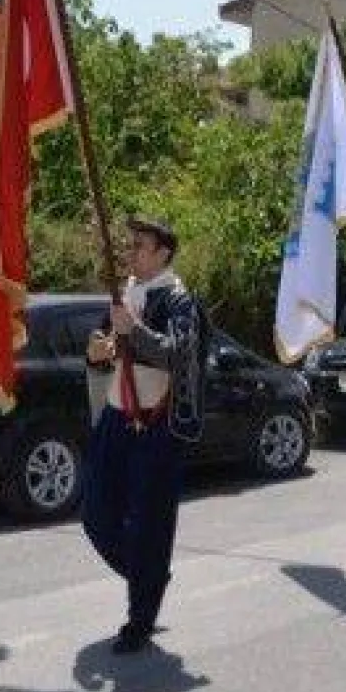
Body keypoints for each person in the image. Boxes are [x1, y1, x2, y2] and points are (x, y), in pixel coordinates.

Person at [83, 217, 210, 655]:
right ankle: (149, 575)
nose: (131, 251)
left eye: (140, 245)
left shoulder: (179, 300)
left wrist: (131, 331)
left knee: (151, 525)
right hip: (118, 419)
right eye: (131, 244)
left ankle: (141, 616)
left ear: (163, 254)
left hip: (156, 425)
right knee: (96, 516)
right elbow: (103, 350)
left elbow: (178, 354)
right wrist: (98, 350)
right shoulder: (127, 295)